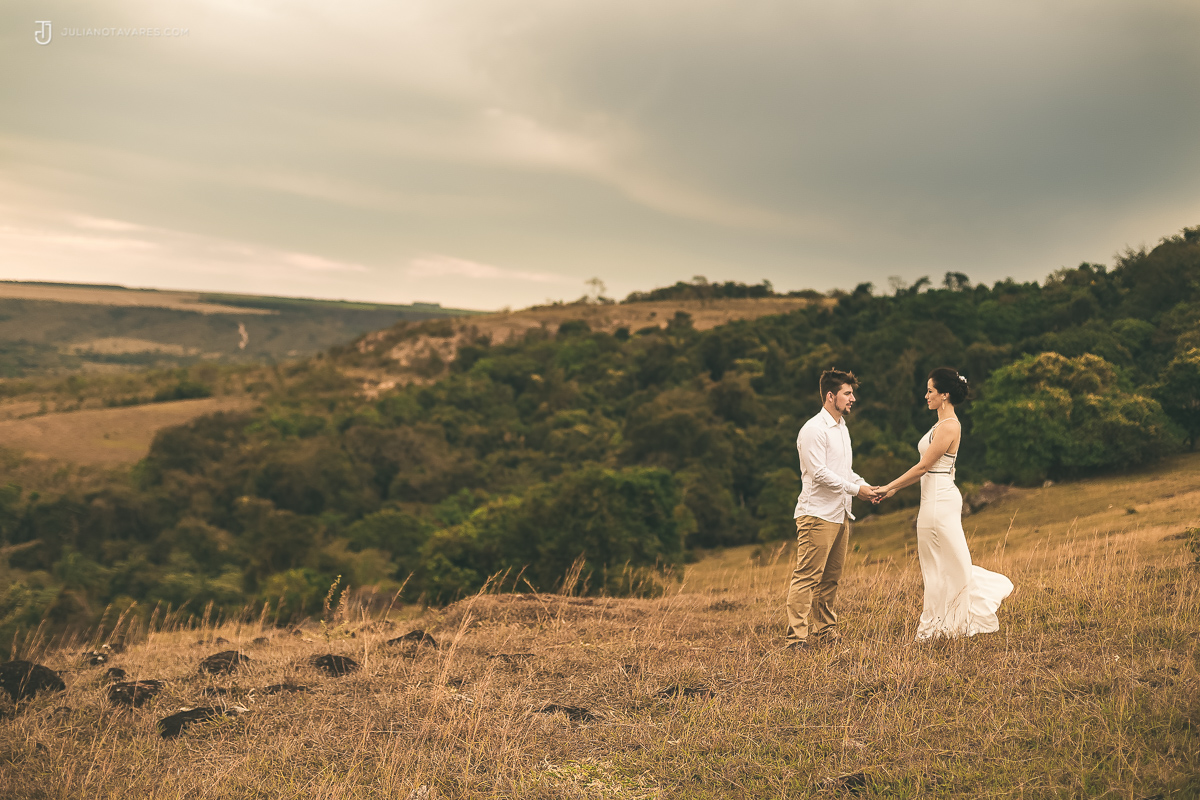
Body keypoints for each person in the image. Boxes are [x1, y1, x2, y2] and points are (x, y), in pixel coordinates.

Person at [875, 368, 1013, 640]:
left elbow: (924, 466)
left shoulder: (950, 425)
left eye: (930, 391)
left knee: (948, 562)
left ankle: (949, 624)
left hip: (940, 501)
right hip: (932, 499)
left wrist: (890, 487)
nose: (926, 395)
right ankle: (940, 623)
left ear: (945, 395)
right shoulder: (938, 425)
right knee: (934, 564)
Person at [785, 368, 879, 650]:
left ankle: (826, 632)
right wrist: (855, 489)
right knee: (807, 576)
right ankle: (796, 639)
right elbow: (819, 474)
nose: (853, 399)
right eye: (847, 393)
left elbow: (844, 471)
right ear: (830, 396)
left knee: (831, 579)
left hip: (840, 514)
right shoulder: (814, 429)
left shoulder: (842, 428)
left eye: (852, 393)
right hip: (817, 515)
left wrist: (866, 487)